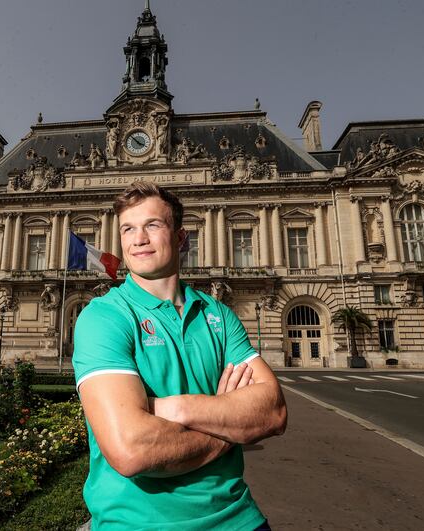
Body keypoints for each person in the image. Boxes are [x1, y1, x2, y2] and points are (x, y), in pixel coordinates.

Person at [73, 182, 288, 530]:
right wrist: (229, 422)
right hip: (138, 524)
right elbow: (132, 450)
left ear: (180, 237)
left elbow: (274, 412)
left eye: (152, 225)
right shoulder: (103, 316)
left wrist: (176, 407)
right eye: (128, 228)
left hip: (239, 519)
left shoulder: (217, 314)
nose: (138, 238)